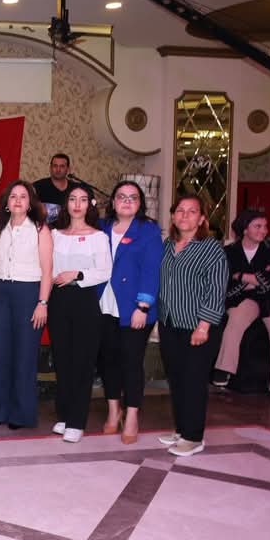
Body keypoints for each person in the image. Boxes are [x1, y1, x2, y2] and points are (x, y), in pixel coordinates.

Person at [157, 194, 228, 457]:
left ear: (201, 219)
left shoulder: (211, 249)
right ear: (173, 216)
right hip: (169, 323)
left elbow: (216, 291)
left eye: (192, 211)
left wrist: (203, 327)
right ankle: (181, 429)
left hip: (199, 327)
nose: (185, 215)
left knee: (194, 381)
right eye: (180, 210)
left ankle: (194, 437)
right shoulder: (167, 245)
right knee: (176, 379)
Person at [0, 180, 53, 430]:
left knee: (24, 355)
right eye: (13, 196)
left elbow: (47, 270)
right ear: (7, 203)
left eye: (23, 196)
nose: (18, 200)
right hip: (1, 291)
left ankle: (20, 414)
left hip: (28, 293)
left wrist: (42, 303)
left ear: (30, 202)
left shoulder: (41, 230)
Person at [97, 181, 163, 444]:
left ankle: (132, 414)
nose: (126, 201)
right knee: (108, 361)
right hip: (104, 305)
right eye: (121, 197)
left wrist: (143, 306)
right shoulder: (100, 227)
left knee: (131, 362)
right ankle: (114, 410)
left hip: (135, 308)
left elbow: (152, 269)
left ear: (140, 203)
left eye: (133, 197)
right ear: (113, 202)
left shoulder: (148, 230)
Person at [48, 187, 112, 443]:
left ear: (90, 205)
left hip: (84, 299)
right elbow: (47, 266)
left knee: (82, 362)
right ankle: (64, 417)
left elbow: (105, 271)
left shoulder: (98, 236)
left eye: (83, 200)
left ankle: (77, 421)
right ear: (66, 204)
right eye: (73, 199)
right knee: (62, 360)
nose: (77, 204)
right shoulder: (54, 234)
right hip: (58, 299)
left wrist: (77, 274)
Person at [213, 210, 270, 407]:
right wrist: (251, 279)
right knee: (236, 319)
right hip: (244, 298)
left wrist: (241, 276)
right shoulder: (229, 252)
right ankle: (224, 369)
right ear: (245, 229)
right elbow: (226, 281)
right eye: (258, 226)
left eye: (265, 226)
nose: (263, 231)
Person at [33, 153, 85, 225]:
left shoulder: (76, 189)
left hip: (71, 228)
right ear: (50, 168)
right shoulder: (38, 186)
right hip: (46, 228)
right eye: (55, 166)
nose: (58, 169)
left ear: (68, 169)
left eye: (62, 166)